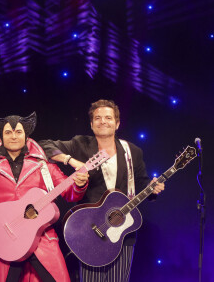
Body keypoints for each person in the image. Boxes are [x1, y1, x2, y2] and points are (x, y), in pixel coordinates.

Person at [0, 112, 89, 282]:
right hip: (8, 243)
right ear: (1, 137)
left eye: (18, 132)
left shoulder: (43, 165)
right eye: (8, 132)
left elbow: (70, 194)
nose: (13, 136)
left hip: (42, 240)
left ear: (26, 135)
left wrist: (79, 183)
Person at [39, 99, 165, 282]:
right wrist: (71, 160)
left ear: (117, 123)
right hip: (89, 229)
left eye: (108, 117)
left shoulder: (133, 151)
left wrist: (153, 189)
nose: (103, 121)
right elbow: (43, 146)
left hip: (121, 230)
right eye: (98, 118)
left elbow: (141, 182)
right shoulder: (79, 144)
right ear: (91, 124)